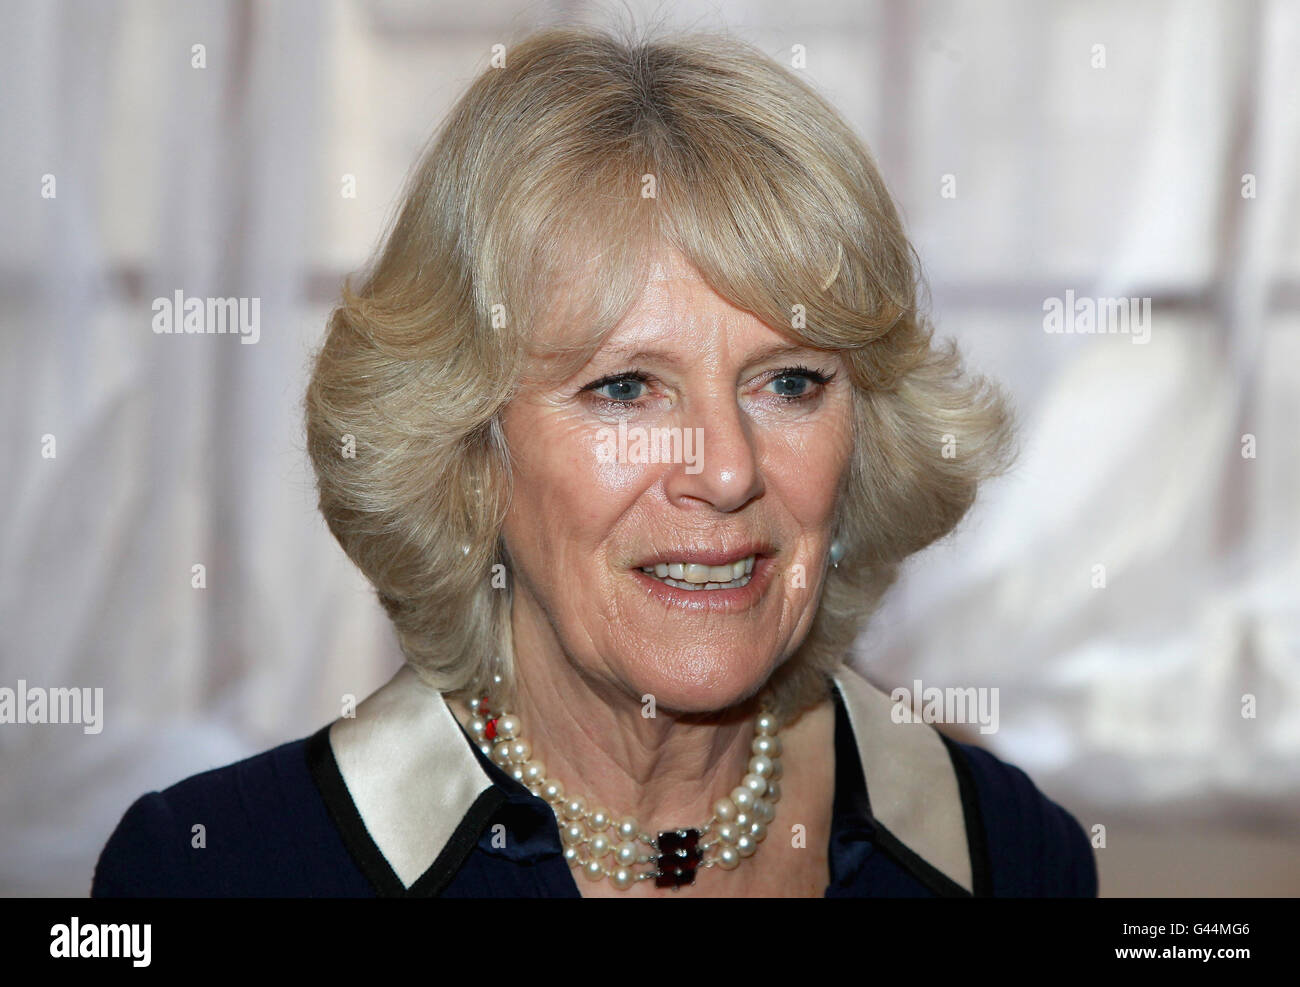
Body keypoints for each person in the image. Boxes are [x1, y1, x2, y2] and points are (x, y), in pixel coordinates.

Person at [92, 25, 1097, 898]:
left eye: (788, 382)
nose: (726, 470)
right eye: (624, 387)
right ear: (469, 452)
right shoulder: (221, 872)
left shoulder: (1007, 857)